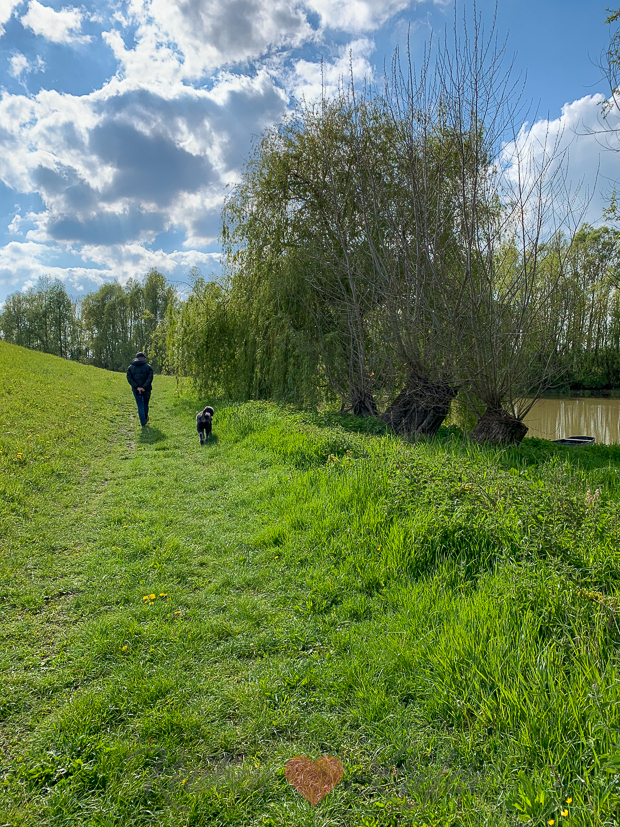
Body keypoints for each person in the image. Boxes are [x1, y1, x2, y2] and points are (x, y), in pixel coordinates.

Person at [126, 352, 153, 427]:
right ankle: (145, 418)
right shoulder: (148, 367)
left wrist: (137, 387)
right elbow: (150, 378)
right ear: (143, 358)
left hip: (136, 390)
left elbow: (129, 379)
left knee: (140, 405)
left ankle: (143, 423)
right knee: (145, 404)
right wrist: (143, 387)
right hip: (146, 389)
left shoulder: (130, 367)